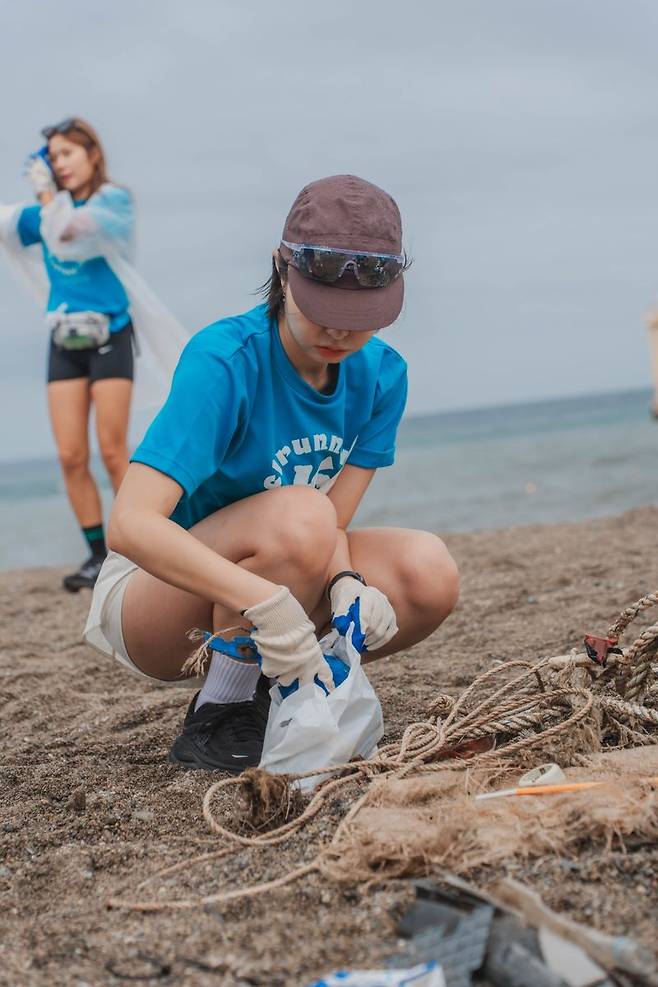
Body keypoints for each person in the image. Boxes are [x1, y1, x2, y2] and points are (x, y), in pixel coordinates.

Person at [84, 174, 460, 773]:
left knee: (429, 571)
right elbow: (129, 525)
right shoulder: (226, 360)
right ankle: (223, 710)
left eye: (359, 316)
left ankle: (276, 685)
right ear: (283, 271)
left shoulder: (384, 377)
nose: (339, 331)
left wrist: (345, 583)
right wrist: (261, 600)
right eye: (324, 311)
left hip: (276, 570)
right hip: (152, 602)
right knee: (300, 512)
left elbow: (330, 528)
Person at [0, 117, 187, 591]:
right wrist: (39, 202)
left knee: (111, 449)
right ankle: (95, 555)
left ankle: (140, 546)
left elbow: (71, 236)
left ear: (92, 154)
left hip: (111, 334)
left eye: (66, 154)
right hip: (64, 339)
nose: (58, 165)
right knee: (69, 454)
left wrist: (46, 198)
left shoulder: (111, 203)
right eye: (51, 157)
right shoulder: (45, 210)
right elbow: (8, 226)